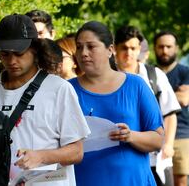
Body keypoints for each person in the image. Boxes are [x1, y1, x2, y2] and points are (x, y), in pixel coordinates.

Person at [0, 14, 90, 186]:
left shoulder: (59, 89)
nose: (12, 61)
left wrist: (42, 156)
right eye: (5, 54)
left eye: (19, 53)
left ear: (35, 49)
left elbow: (77, 152)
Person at [70, 21, 164, 186]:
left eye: (91, 47)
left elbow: (157, 140)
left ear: (110, 50)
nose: (83, 53)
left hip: (132, 181)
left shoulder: (136, 85)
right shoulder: (66, 90)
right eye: (79, 47)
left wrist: (131, 136)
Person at [114, 25, 180, 186]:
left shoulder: (154, 75)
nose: (128, 53)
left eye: (133, 48)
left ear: (139, 49)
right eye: (124, 48)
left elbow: (170, 113)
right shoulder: (107, 77)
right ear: (115, 48)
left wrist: (168, 144)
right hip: (122, 158)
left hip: (158, 158)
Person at [154, 30, 189, 186]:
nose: (165, 51)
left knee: (180, 181)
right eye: (161, 47)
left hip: (181, 133)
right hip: (154, 133)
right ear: (155, 48)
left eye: (169, 46)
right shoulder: (150, 73)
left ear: (176, 48)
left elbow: (185, 99)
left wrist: (157, 97)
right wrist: (174, 94)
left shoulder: (185, 72)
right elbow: (179, 98)